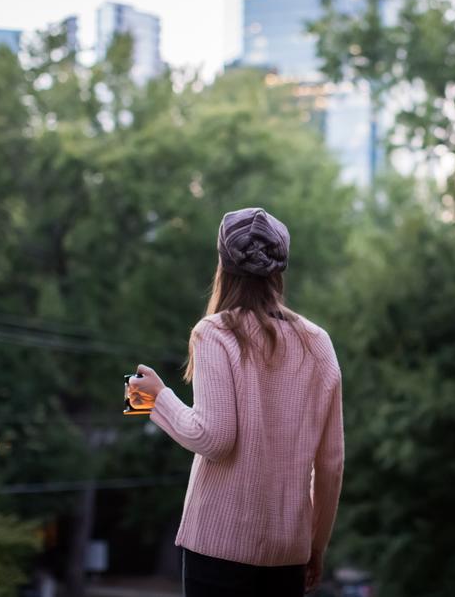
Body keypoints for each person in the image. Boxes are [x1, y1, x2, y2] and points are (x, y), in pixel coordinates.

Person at [128, 207, 344, 597]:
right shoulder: (319, 342)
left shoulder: (215, 333)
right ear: (280, 268)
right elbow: (330, 463)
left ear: (223, 265)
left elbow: (214, 438)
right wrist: (315, 544)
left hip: (218, 549)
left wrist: (155, 400)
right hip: (288, 551)